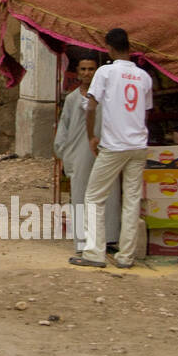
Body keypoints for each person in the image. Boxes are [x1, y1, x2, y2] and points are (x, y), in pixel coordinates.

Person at [70, 28, 152, 269]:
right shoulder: (144, 77)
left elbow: (91, 107)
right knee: (131, 200)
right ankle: (126, 256)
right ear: (129, 47)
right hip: (138, 145)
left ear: (109, 47)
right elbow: (145, 113)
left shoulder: (105, 72)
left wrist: (91, 136)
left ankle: (94, 252)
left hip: (114, 145)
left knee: (94, 196)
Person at [54, 57, 121, 255]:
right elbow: (64, 127)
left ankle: (108, 238)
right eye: (83, 69)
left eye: (91, 69)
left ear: (97, 71)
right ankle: (82, 241)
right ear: (77, 71)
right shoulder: (73, 99)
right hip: (78, 153)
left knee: (109, 193)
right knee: (80, 196)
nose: (87, 73)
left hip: (103, 151)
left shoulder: (107, 97)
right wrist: (62, 152)